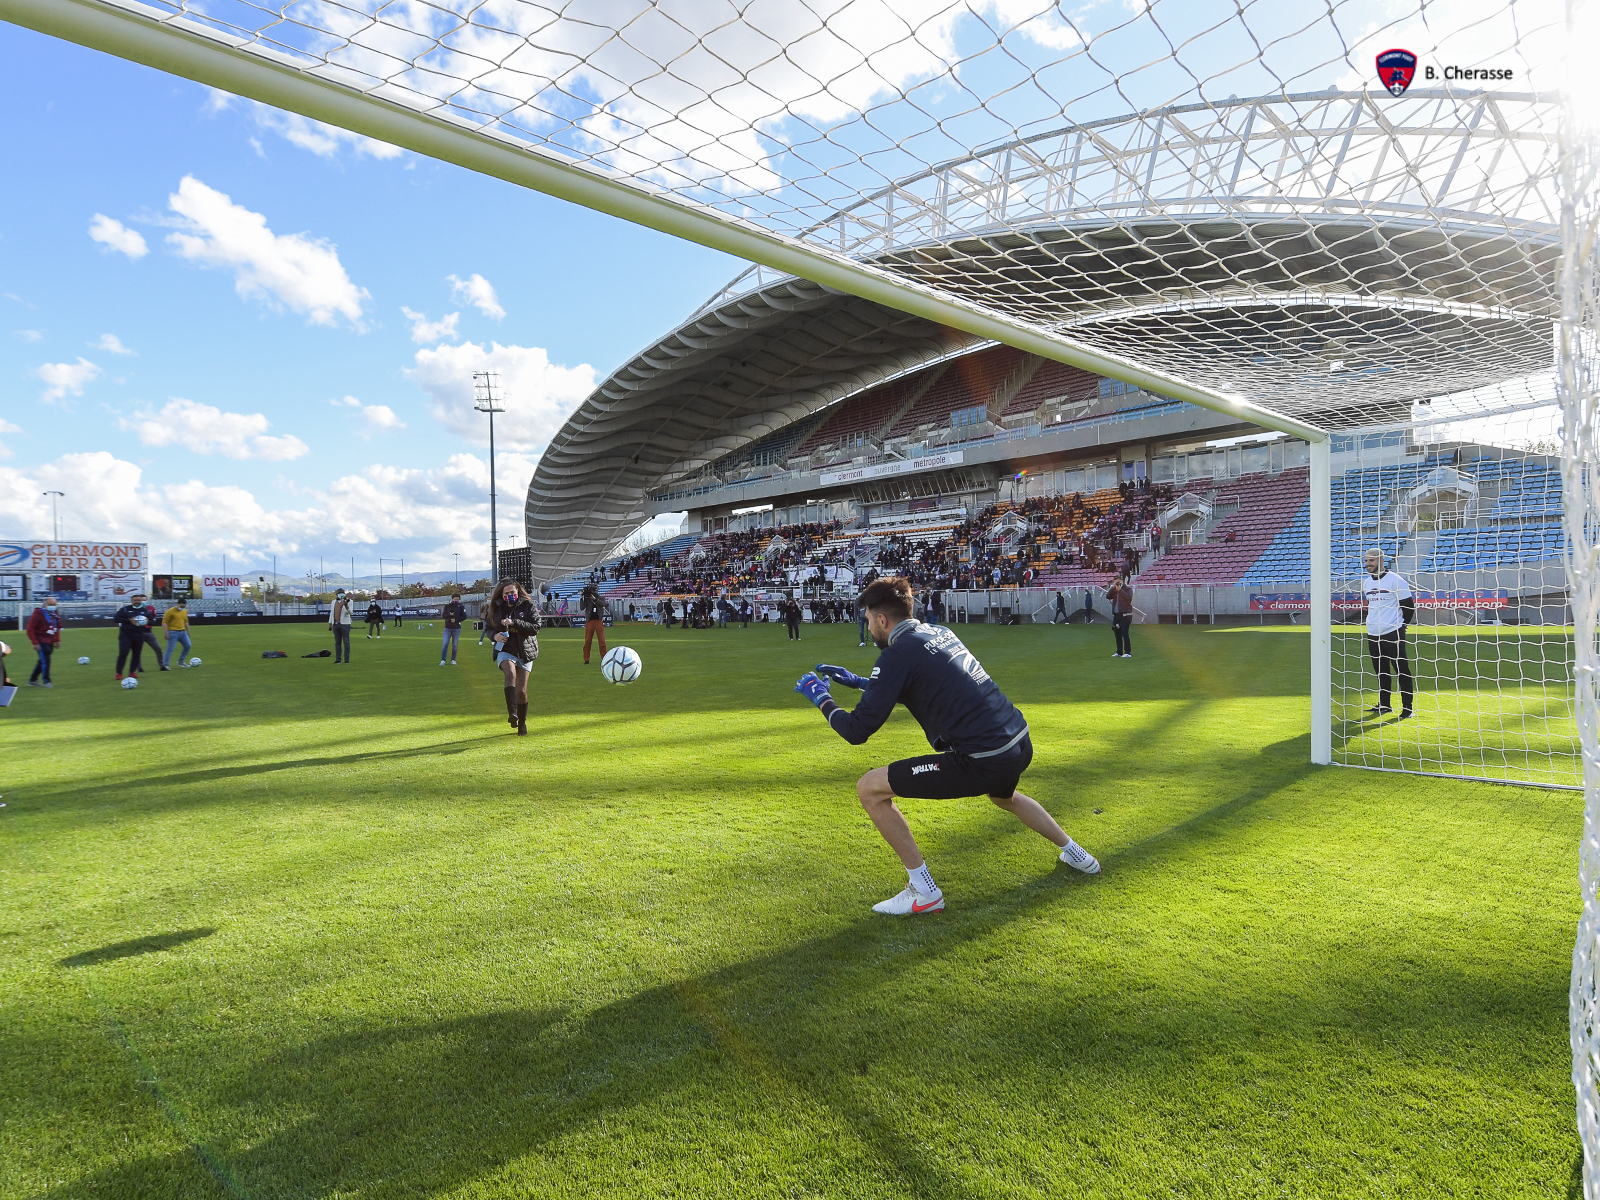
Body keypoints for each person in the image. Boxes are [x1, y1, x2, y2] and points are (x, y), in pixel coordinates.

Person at [793, 576, 1099, 916]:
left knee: (870, 789)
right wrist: (861, 682)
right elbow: (925, 684)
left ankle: (924, 891)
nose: (869, 626)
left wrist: (822, 698)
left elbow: (857, 730)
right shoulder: (941, 633)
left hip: (982, 758)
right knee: (1004, 797)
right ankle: (1077, 854)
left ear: (882, 620)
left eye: (868, 620)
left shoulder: (896, 655)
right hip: (1018, 741)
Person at [1362, 547, 1415, 718]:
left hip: (1393, 632)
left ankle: (1407, 709)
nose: (1367, 564)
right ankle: (1385, 705)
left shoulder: (1395, 580)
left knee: (1402, 670)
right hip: (1373, 633)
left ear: (1381, 560)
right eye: (1366, 561)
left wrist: (1402, 626)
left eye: (1371, 560)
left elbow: (1408, 607)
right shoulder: (1366, 582)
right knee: (1381, 671)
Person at [487, 579, 540, 735]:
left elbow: (535, 628)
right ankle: (512, 713)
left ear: (518, 592)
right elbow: (488, 628)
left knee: (521, 690)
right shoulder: (496, 608)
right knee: (510, 673)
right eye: (506, 593)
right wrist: (495, 636)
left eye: (512, 592)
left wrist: (514, 622)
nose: (510, 595)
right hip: (505, 649)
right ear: (502, 594)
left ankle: (522, 722)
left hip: (525, 651)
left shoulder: (528, 606)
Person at [112, 594, 154, 680]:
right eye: (135, 600)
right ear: (132, 601)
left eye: (139, 600)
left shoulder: (145, 611)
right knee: (123, 654)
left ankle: (132, 672)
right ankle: (119, 673)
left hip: (139, 635)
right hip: (126, 635)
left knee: (137, 654)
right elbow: (116, 619)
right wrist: (129, 620)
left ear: (141, 601)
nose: (137, 602)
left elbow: (152, 621)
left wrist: (147, 621)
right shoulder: (125, 609)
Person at [25, 594, 61, 687]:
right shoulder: (38, 613)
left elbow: (56, 627)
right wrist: (35, 642)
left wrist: (57, 640)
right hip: (40, 640)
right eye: (50, 604)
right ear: (44, 604)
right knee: (46, 660)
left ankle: (32, 680)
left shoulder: (55, 613)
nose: (52, 606)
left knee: (43, 660)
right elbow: (30, 629)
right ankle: (47, 681)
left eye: (54, 604)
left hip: (50, 640)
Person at [1105, 575, 1134, 658]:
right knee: (1117, 634)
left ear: (1121, 580)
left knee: (1125, 633)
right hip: (1116, 615)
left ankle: (1128, 652)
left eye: (1117, 581)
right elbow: (1108, 596)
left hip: (1125, 615)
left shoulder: (1128, 589)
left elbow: (1128, 598)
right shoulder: (1114, 590)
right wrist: (1113, 588)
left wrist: (1120, 590)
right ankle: (1119, 652)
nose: (1116, 583)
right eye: (1114, 581)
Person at [580, 581, 607, 664]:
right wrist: (581, 598)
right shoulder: (587, 599)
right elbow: (582, 608)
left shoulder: (601, 598)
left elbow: (603, 604)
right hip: (589, 621)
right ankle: (586, 659)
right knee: (588, 641)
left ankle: (604, 658)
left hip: (598, 620)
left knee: (602, 641)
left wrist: (594, 599)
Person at [161, 597, 193, 668]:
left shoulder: (185, 611)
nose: (182, 608)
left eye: (184, 606)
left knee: (188, 646)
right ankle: (165, 664)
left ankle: (181, 661)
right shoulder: (170, 611)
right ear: (178, 604)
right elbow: (164, 622)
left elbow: (186, 622)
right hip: (173, 632)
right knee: (170, 649)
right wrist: (166, 633)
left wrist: (188, 631)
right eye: (181, 606)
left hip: (182, 632)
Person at [328, 588, 355, 663]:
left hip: (345, 624)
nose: (341, 594)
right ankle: (338, 659)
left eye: (342, 593)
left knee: (346, 642)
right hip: (336, 624)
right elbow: (332, 613)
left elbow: (350, 612)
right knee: (337, 642)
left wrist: (346, 605)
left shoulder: (349, 601)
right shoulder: (333, 602)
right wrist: (330, 623)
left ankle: (346, 659)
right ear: (337, 594)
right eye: (339, 593)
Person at [440, 592, 465, 665]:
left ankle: (453, 659)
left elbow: (464, 616)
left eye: (457, 599)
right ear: (452, 599)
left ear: (459, 600)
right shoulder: (447, 606)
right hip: (447, 627)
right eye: (455, 599)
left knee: (455, 645)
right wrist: (449, 615)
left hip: (456, 628)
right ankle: (443, 660)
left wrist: (456, 620)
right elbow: (443, 615)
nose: (456, 600)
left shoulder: (461, 607)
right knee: (445, 643)